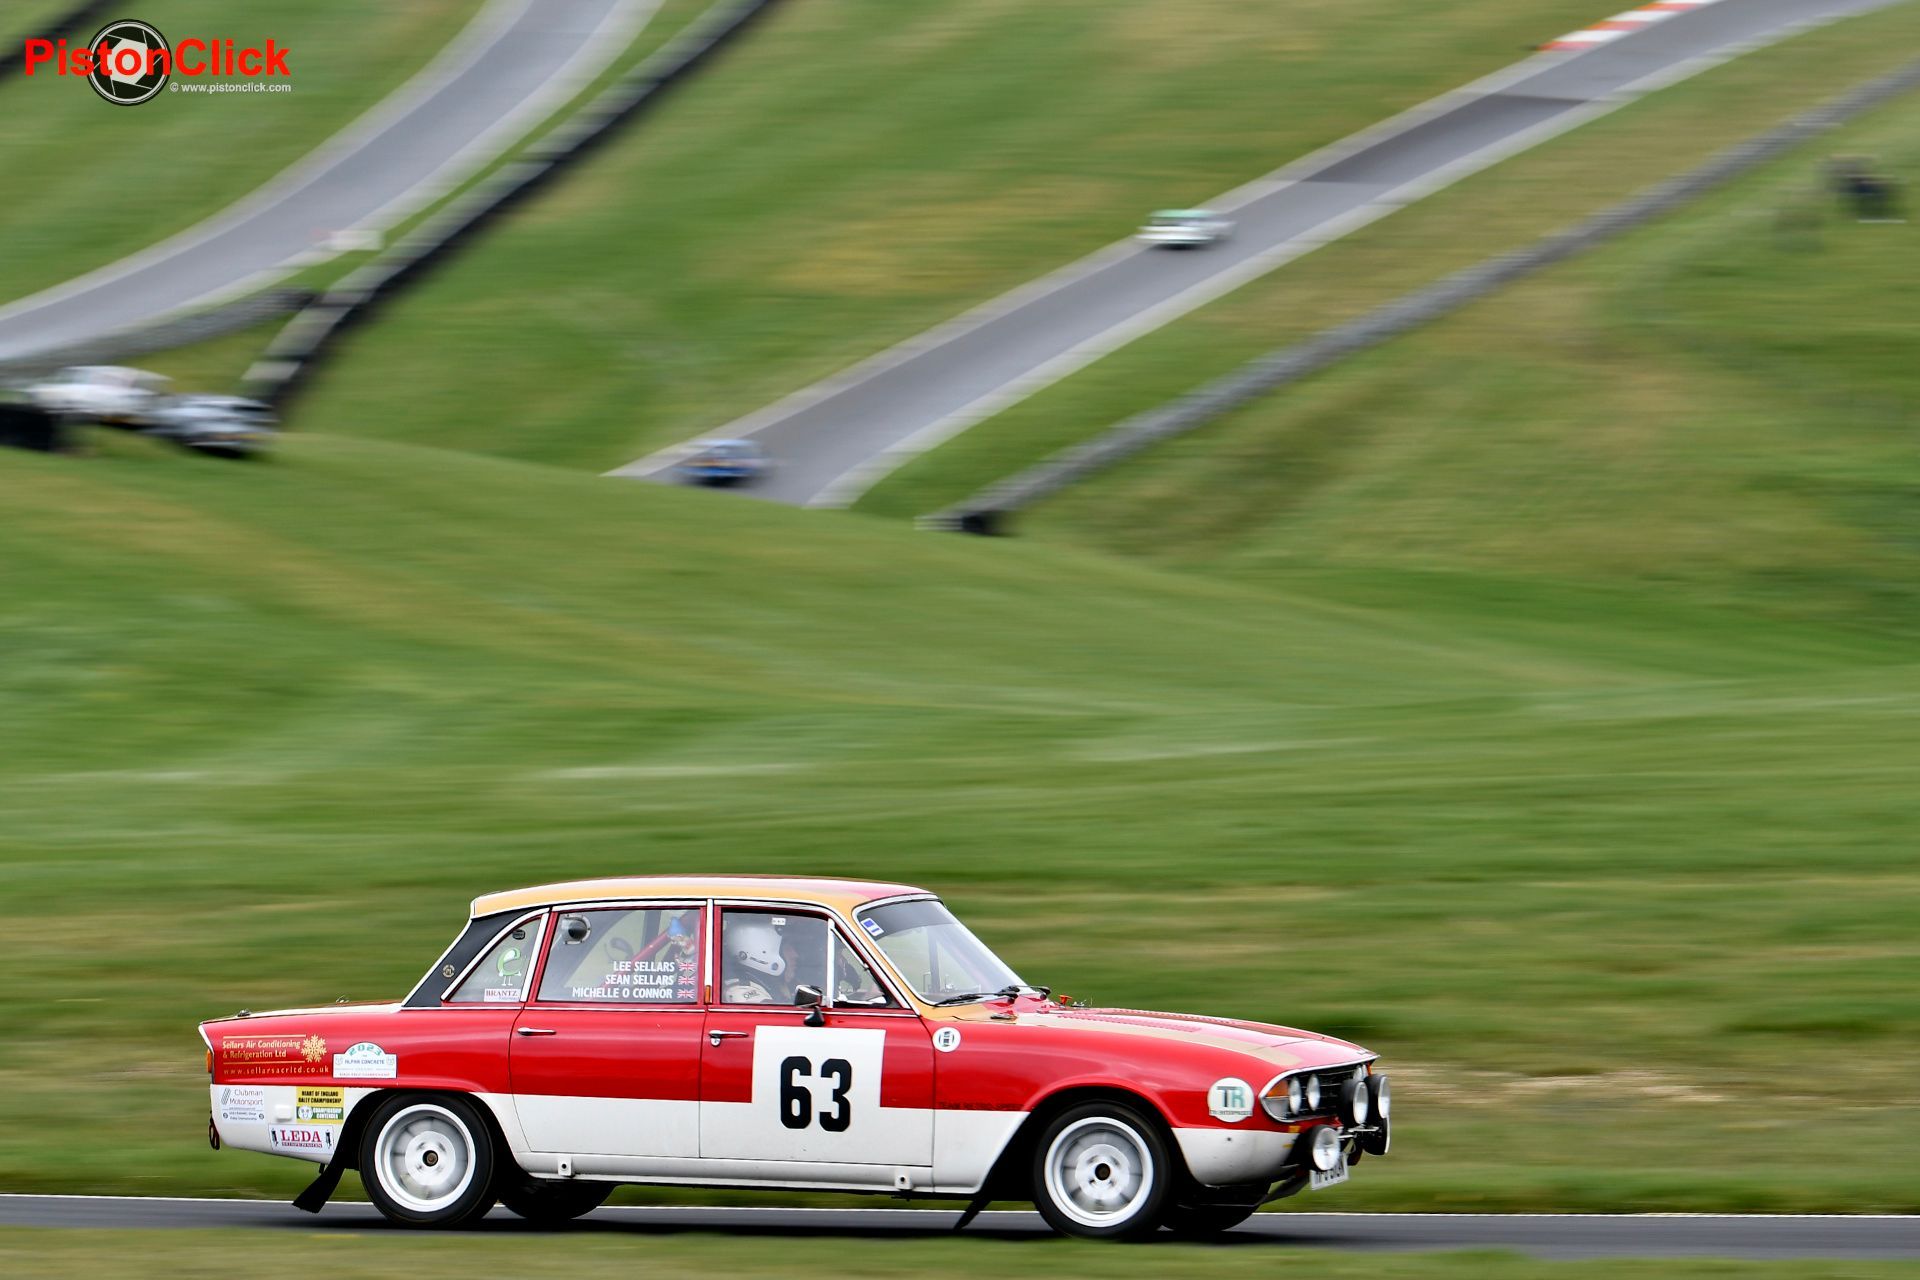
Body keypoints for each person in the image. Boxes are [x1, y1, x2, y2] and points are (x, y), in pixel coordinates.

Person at [722, 918, 790, 1004]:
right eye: (786, 948)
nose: (795, 955)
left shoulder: (766, 984)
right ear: (761, 951)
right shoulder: (741, 991)